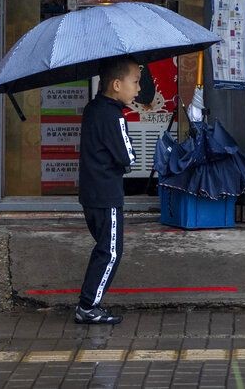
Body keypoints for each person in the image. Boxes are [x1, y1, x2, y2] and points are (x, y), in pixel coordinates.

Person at [75, 56, 141, 325]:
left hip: (90, 193)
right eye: (135, 82)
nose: (138, 89)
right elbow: (128, 157)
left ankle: (89, 303)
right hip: (107, 194)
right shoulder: (114, 116)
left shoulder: (92, 109)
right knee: (111, 251)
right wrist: (130, 158)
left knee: (104, 248)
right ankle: (89, 306)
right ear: (116, 84)